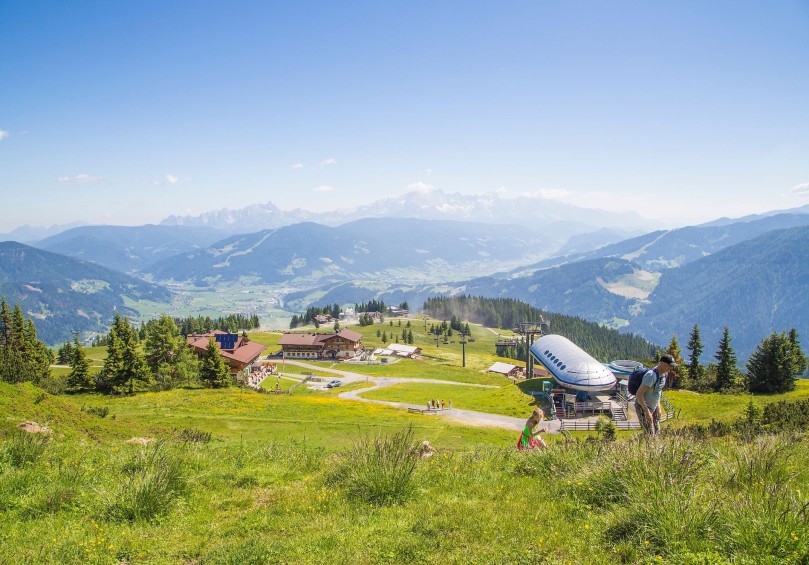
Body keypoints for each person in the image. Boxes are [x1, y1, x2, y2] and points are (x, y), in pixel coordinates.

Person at [635, 353, 676, 436]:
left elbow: (658, 391)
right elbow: (639, 394)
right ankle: (645, 447)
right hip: (643, 408)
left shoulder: (664, 375)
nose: (671, 368)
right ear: (662, 363)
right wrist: (647, 412)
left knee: (657, 432)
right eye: (669, 365)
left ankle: (653, 447)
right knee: (649, 434)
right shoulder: (651, 376)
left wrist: (658, 407)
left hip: (654, 408)